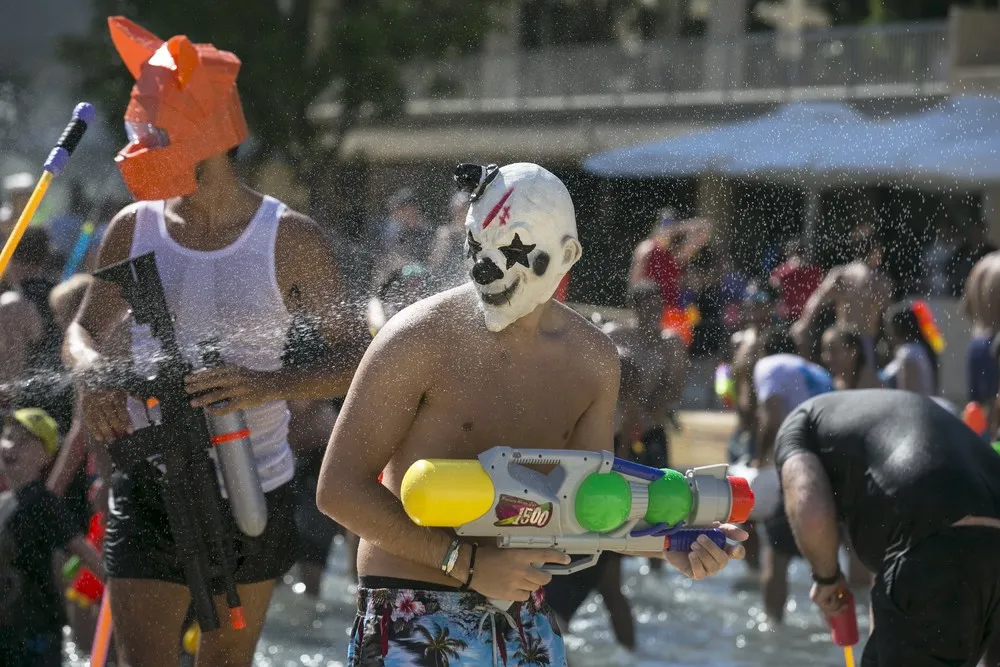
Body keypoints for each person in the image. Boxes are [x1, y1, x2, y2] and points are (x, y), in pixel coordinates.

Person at [317, 162, 746, 667]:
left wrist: (668, 542)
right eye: (479, 247)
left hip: (524, 620)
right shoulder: (418, 338)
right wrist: (466, 563)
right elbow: (338, 489)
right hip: (413, 610)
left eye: (514, 252)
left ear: (566, 256)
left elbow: (586, 510)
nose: (487, 268)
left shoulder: (592, 361)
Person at [64, 18, 364, 667]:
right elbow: (81, 332)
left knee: (226, 662)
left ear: (211, 135)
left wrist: (269, 385)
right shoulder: (132, 227)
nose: (141, 150)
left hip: (253, 486)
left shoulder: (290, 239)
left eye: (155, 135)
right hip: (149, 480)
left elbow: (355, 358)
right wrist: (93, 374)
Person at [775, 389, 1000, 666]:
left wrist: (827, 579)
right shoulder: (888, 422)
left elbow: (808, 503)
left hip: (936, 547)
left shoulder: (798, 425)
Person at [0, 408, 103, 666]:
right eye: (7, 436)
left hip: (37, 635)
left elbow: (84, 552)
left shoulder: (43, 502)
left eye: (24, 441)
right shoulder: (3, 503)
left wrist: (122, 590)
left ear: (45, 455)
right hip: (7, 632)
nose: (11, 445)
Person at [605, 280, 689, 470]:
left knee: (658, 489)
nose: (655, 313)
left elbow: (674, 388)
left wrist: (643, 417)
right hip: (616, 427)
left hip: (651, 426)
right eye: (648, 307)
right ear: (634, 307)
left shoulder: (670, 342)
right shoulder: (615, 334)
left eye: (659, 307)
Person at [793, 226, 893, 373]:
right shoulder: (879, 281)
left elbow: (817, 300)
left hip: (840, 340)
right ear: (875, 250)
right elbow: (890, 314)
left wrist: (803, 324)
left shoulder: (841, 275)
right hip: (864, 342)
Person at [881, 301, 939, 396]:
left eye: (888, 327)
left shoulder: (908, 354)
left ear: (896, 328)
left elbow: (908, 397)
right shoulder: (919, 350)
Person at [770, 239, 823, 322]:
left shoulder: (782, 271)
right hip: (811, 314)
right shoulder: (815, 271)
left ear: (788, 252)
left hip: (789, 313)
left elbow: (774, 284)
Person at [820, 327, 882, 391]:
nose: (828, 357)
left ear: (853, 352)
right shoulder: (830, 384)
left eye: (834, 350)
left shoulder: (871, 386)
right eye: (824, 350)